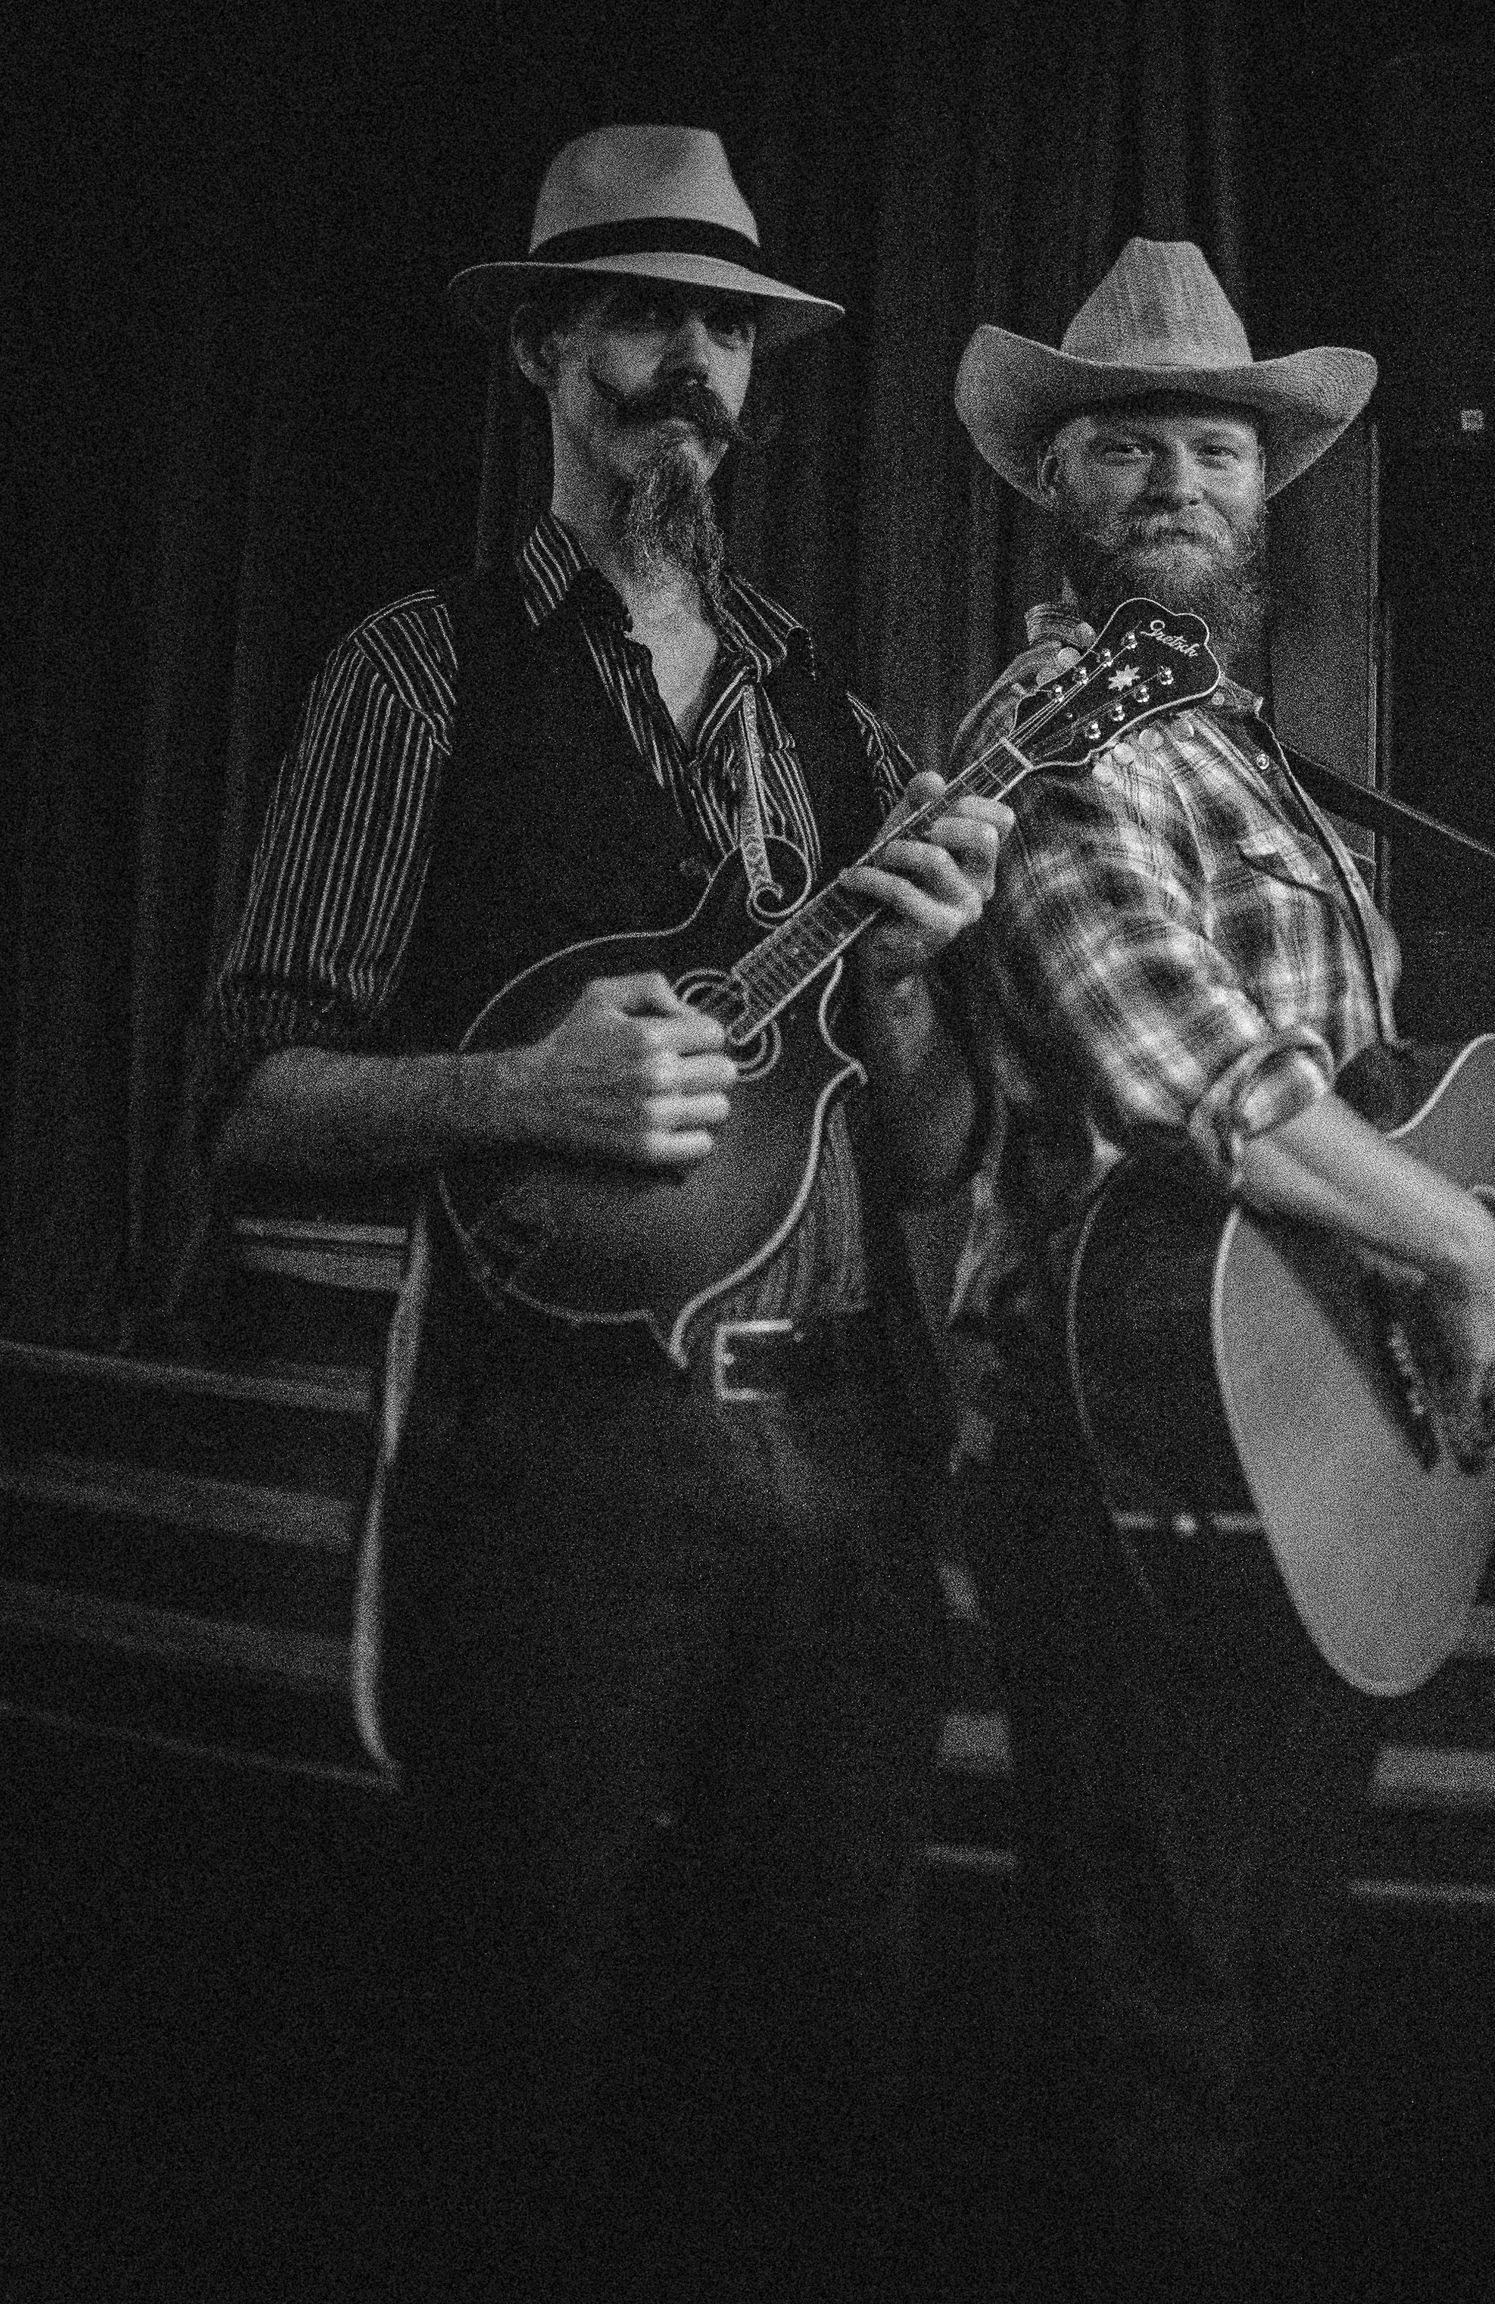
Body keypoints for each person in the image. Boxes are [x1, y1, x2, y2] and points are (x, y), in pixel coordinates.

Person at [191, 126, 1003, 2277]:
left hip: (844, 1457)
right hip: (553, 1469)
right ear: (546, 346)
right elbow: (252, 1096)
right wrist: (510, 1085)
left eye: (727, 326)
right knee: (516, 2047)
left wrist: (916, 981)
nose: (690, 368)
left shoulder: (827, 710)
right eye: (642, 316)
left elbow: (921, 1156)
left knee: (822, 2053)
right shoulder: (417, 674)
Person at [939, 238, 1495, 2292]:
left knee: (1264, 1981)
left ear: (1263, 493)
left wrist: (1456, 1200)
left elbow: (1362, 1093)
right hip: (1124, 1469)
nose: (1177, 478)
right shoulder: (1051, 749)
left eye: (1212, 445)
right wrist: (1455, 1235)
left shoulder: (1266, 766)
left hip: (1291, 1449)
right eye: (1125, 447)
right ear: (1053, 487)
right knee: (1160, 2015)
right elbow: (1185, 1070)